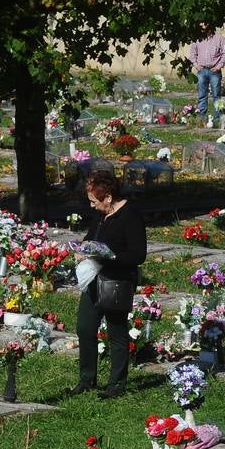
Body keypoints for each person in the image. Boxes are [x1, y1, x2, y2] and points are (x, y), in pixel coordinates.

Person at [72, 170, 147, 399]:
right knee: (85, 327)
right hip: (95, 278)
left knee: (116, 331)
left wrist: (110, 256)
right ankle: (86, 379)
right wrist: (83, 249)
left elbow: (138, 254)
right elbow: (91, 237)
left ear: (108, 197)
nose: (92, 205)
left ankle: (116, 384)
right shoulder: (101, 214)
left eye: (94, 201)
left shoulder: (130, 215)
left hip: (117, 281)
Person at [188, 23, 225, 127]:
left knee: (216, 95)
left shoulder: (219, 38)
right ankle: (202, 118)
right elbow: (192, 53)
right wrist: (196, 65)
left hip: (215, 70)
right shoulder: (197, 39)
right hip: (202, 70)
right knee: (202, 94)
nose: (202, 28)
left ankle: (217, 118)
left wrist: (219, 66)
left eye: (205, 26)